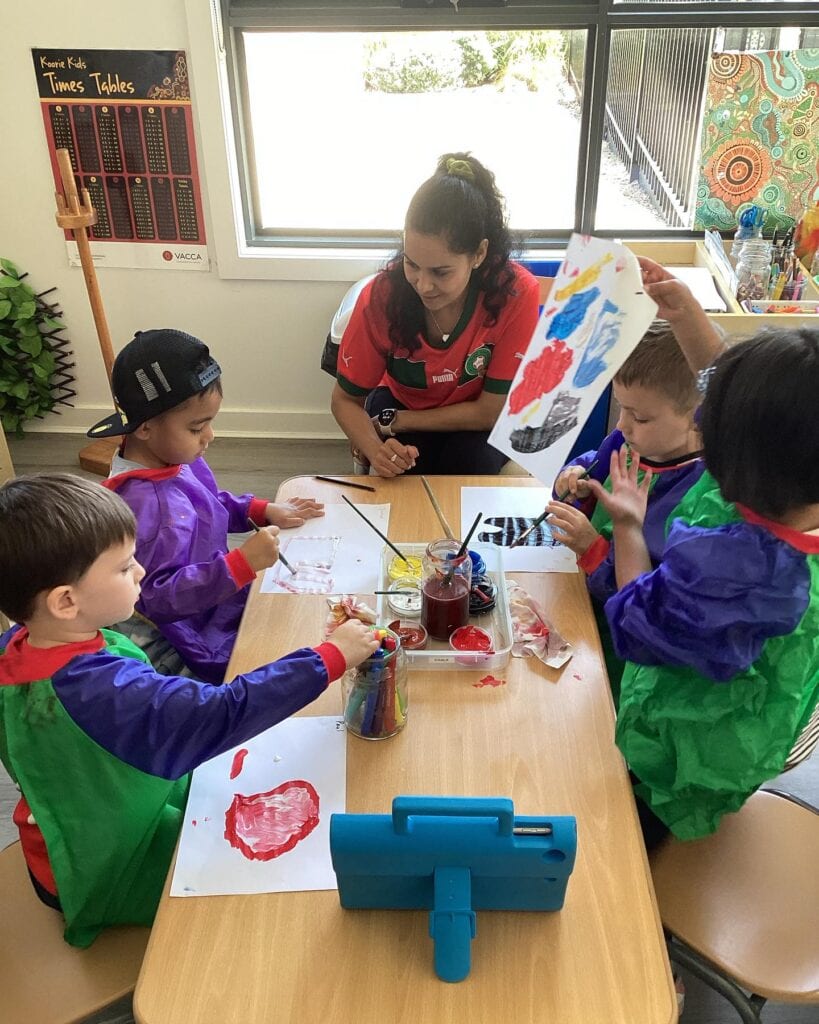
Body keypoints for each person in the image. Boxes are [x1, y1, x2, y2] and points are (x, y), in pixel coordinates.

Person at [0, 473, 378, 947]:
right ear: (65, 600)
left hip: (71, 819)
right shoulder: (99, 689)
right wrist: (329, 656)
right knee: (277, 910)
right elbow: (219, 713)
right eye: (124, 567)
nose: (141, 572)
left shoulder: (19, 646)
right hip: (105, 862)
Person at [580, 327, 819, 847]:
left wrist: (625, 526)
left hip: (691, 748)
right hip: (760, 712)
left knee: (624, 840)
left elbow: (636, 623)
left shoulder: (741, 572)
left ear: (729, 451)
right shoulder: (791, 492)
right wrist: (682, 314)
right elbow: (742, 398)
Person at [86, 329, 324, 683]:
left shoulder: (172, 456)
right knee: (291, 652)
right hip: (192, 633)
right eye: (198, 427)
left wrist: (258, 510)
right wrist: (240, 565)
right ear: (146, 427)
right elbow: (157, 597)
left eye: (210, 423)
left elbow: (205, 504)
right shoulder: (144, 506)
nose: (209, 437)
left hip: (217, 594)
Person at [330, 152, 540, 477]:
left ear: (479, 254)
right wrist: (376, 448)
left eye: (441, 272)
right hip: (400, 400)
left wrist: (396, 421)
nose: (423, 286)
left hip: (472, 416)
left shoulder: (515, 292)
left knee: (471, 465)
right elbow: (345, 400)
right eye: (411, 264)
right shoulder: (382, 295)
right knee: (406, 473)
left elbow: (491, 411)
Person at [547, 320, 706, 609]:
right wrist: (574, 481)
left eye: (640, 417)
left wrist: (592, 550)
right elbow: (592, 466)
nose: (621, 425)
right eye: (621, 408)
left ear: (697, 418)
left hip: (613, 629)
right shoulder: (627, 441)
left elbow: (650, 605)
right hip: (574, 589)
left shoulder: (696, 499)